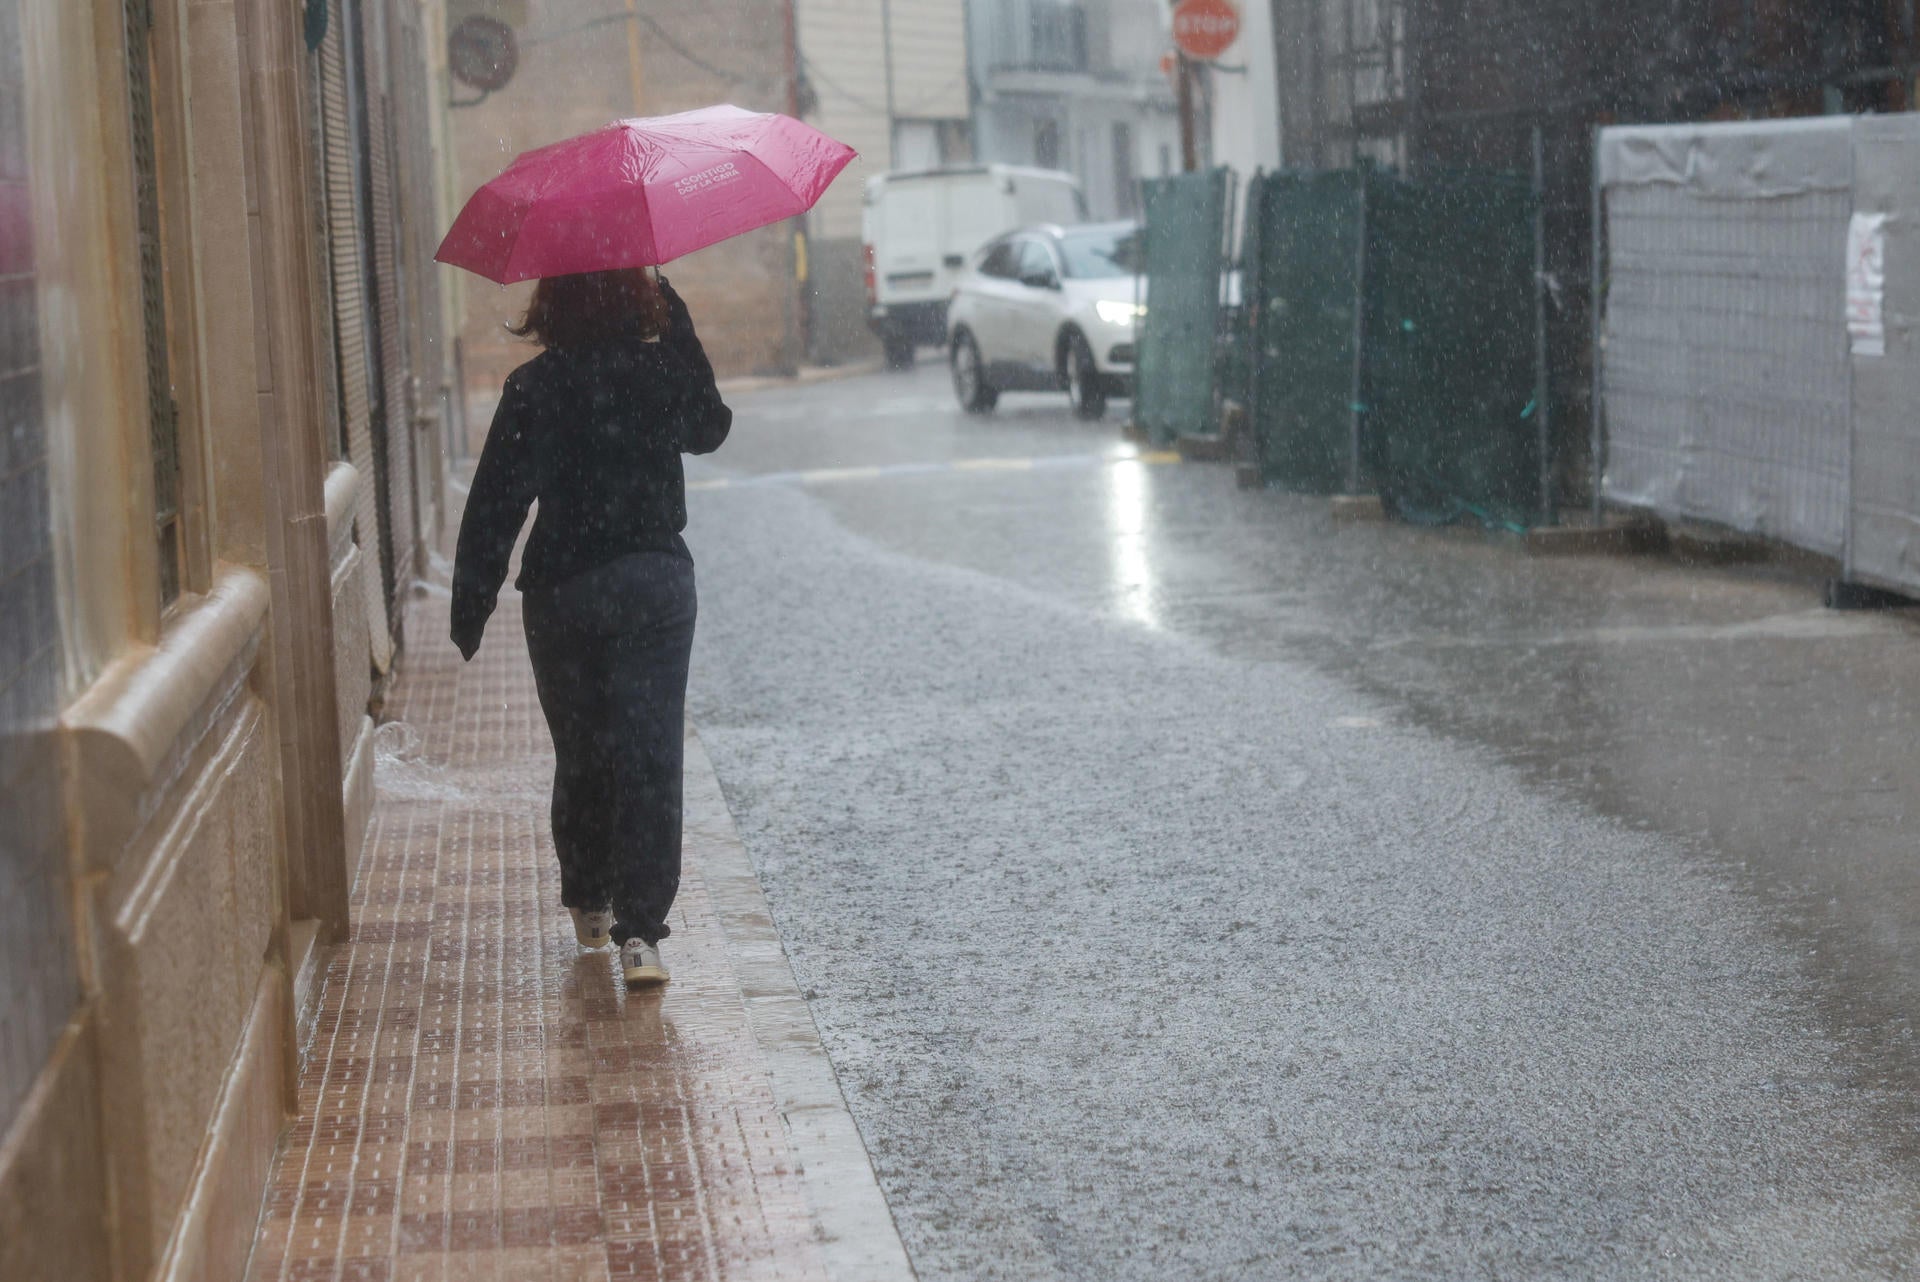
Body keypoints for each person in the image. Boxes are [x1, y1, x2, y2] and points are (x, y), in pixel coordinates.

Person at [450, 268, 731, 986]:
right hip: (653, 582)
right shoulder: (658, 369)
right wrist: (680, 324)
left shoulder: (533, 387)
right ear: (634, 298)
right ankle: (643, 935)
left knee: (584, 751)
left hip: (563, 592)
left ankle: (589, 899)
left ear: (553, 304)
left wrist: (472, 601)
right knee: (649, 752)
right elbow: (710, 427)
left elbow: (496, 503)